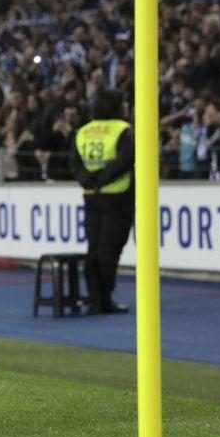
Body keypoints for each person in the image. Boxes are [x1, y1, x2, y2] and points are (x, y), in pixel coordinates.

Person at [71, 89, 134, 315]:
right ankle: (104, 298)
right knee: (109, 251)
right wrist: (103, 179)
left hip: (91, 197)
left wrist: (90, 181)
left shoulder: (83, 131)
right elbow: (125, 159)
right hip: (117, 196)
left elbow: (74, 163)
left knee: (94, 249)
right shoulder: (123, 130)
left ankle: (95, 296)